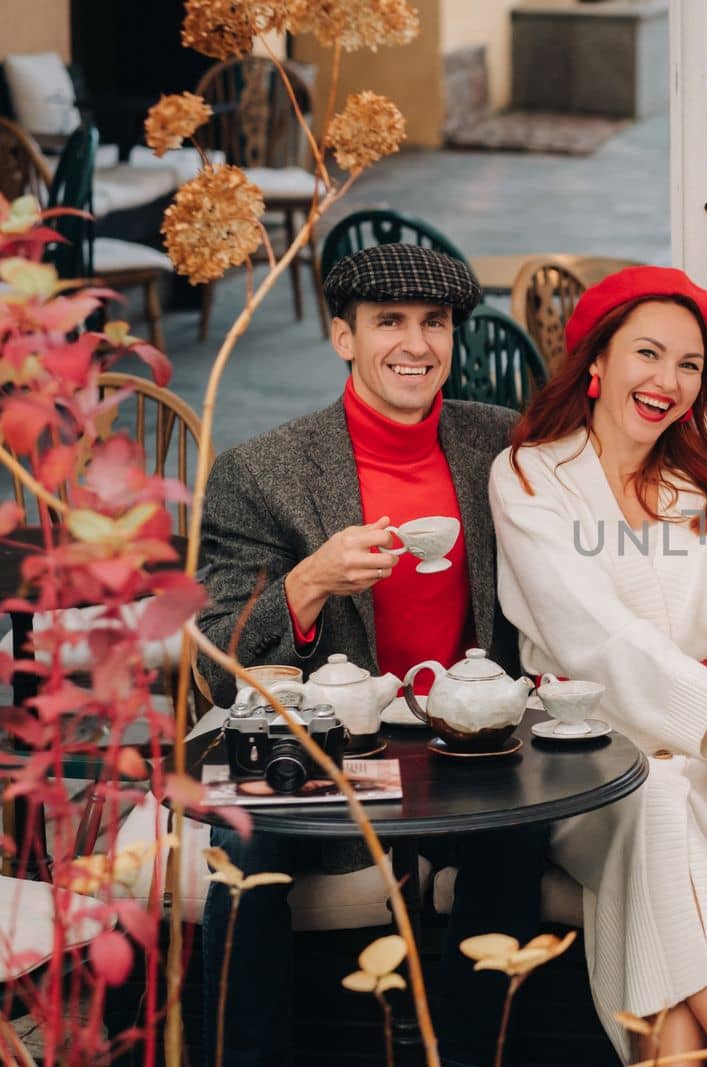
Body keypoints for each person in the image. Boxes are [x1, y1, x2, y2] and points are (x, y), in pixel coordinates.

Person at [195, 243, 545, 1067]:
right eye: (389, 322)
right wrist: (310, 582)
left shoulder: (499, 445)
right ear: (343, 337)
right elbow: (217, 660)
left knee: (521, 833)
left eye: (435, 324)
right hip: (332, 751)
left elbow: (622, 513)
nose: (416, 345)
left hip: (470, 744)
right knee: (243, 845)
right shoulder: (264, 470)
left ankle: (466, 1054)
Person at [488, 266, 707, 1065]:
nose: (669, 381)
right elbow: (586, 627)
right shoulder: (532, 476)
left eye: (690, 365)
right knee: (654, 797)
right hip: (585, 765)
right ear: (597, 361)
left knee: (673, 803)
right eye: (649, 353)